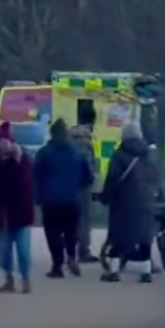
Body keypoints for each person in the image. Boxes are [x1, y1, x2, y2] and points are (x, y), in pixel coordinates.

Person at [100, 121, 163, 284]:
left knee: (119, 236)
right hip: (146, 202)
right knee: (144, 237)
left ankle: (114, 271)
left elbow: (113, 179)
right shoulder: (149, 155)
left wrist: (105, 197)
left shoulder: (119, 155)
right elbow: (156, 177)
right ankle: (146, 272)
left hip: (123, 202)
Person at [34, 118, 93, 278]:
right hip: (72, 200)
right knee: (70, 232)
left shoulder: (44, 153)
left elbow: (36, 177)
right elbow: (88, 177)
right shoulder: (76, 154)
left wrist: (37, 198)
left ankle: (57, 265)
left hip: (50, 200)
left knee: (53, 234)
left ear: (52, 134)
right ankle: (72, 256)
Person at [0, 122, 35, 294]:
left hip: (21, 212)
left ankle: (26, 279)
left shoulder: (22, 160)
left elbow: (26, 183)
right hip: (0, 214)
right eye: (0, 145)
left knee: (23, 250)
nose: (4, 148)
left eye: (7, 144)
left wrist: (17, 161)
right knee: (4, 252)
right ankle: (9, 279)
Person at [70, 106, 99, 263]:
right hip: (82, 186)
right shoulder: (85, 140)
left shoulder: (70, 137)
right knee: (84, 219)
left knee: (70, 219)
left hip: (68, 185)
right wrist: (91, 178)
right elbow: (86, 165)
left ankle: (69, 249)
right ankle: (83, 251)